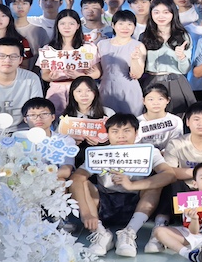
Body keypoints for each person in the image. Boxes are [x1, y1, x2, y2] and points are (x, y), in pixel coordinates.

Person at [69, 114, 175, 258]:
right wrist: (86, 213)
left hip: (137, 204)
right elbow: (76, 178)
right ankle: (100, 233)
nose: (121, 136)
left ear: (136, 133)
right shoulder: (99, 154)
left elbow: (169, 174)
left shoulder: (148, 151)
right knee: (82, 182)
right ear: (107, 134)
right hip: (104, 204)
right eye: (115, 131)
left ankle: (129, 233)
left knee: (155, 184)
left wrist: (132, 185)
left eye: (127, 131)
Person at [139, 0, 196, 118]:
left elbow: (185, 69)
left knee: (180, 119)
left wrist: (181, 57)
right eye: (156, 12)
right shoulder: (144, 36)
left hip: (177, 82)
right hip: (152, 82)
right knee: (154, 120)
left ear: (173, 13)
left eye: (166, 12)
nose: (161, 16)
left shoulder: (183, 36)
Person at [39, 9, 100, 116]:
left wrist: (80, 76)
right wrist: (51, 77)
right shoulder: (48, 49)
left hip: (82, 90)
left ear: (78, 26)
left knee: (82, 119)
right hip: (57, 90)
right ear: (57, 26)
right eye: (62, 23)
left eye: (71, 23)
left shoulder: (88, 47)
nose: (66, 27)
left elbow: (97, 73)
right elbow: (44, 75)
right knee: (55, 120)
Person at [98, 10, 147, 115]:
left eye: (129, 24)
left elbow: (137, 75)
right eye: (121, 24)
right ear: (113, 25)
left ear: (134, 27)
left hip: (129, 90)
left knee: (130, 121)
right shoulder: (101, 44)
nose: (125, 28)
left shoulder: (138, 46)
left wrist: (134, 60)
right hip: (105, 89)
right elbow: (98, 71)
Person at [62, 76, 115, 167]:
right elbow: (57, 139)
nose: (84, 95)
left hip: (101, 159)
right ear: (72, 94)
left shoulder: (108, 113)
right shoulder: (65, 117)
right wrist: (70, 142)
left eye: (89, 90)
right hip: (72, 160)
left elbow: (117, 138)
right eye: (79, 91)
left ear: (95, 92)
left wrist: (101, 143)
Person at [22, 97, 75, 181]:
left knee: (61, 181)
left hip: (51, 180)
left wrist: (40, 178)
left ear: (53, 117)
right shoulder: (19, 140)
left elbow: (65, 171)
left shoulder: (64, 140)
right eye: (32, 115)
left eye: (44, 114)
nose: (38, 118)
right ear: (25, 119)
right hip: (25, 181)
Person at [3, 0, 50, 72]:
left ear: (30, 6)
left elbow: (47, 56)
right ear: (8, 7)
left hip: (33, 76)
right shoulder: (2, 30)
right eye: (15, 3)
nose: (20, 7)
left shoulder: (39, 31)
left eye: (24, 3)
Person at [136, 83, 184, 151]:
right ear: (144, 101)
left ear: (168, 100)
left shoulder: (175, 120)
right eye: (151, 99)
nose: (156, 103)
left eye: (160, 99)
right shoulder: (137, 121)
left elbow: (176, 144)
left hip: (168, 155)